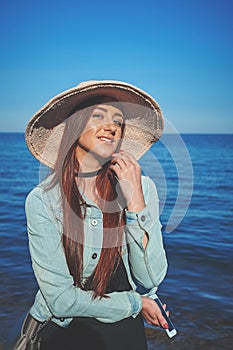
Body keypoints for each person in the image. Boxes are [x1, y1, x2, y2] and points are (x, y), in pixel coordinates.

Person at [20, 80, 168, 350]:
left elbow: (151, 278)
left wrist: (135, 201)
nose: (111, 126)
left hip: (126, 333)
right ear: (74, 126)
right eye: (98, 115)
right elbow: (60, 300)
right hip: (65, 332)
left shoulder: (142, 188)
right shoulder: (43, 200)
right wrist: (137, 303)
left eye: (118, 121)